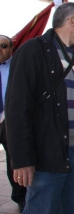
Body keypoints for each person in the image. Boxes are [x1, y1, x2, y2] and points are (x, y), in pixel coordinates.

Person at [5, 2, 74, 214]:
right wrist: (22, 159)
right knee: (42, 209)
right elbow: (17, 108)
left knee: (72, 210)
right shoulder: (33, 50)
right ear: (71, 21)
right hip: (48, 153)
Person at [0, 35, 26, 212]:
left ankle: (20, 196)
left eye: (3, 46)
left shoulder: (18, 67)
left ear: (11, 48)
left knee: (14, 160)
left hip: (8, 120)